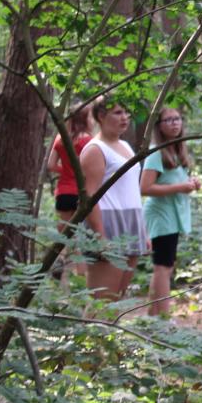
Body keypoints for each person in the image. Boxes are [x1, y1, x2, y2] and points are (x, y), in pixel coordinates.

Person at [79, 96, 148, 301]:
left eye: (126, 112)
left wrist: (142, 231)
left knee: (116, 300)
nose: (125, 117)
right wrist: (100, 237)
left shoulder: (125, 145)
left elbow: (130, 189)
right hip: (107, 223)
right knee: (102, 301)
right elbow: (89, 196)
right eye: (118, 113)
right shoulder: (95, 149)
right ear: (101, 116)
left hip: (131, 221)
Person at [140, 107, 201, 318]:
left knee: (165, 266)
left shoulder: (176, 150)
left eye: (177, 119)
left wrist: (191, 183)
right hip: (160, 216)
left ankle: (153, 317)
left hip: (172, 217)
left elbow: (173, 180)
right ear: (159, 126)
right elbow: (145, 188)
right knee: (163, 267)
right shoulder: (156, 152)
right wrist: (180, 187)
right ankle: (163, 319)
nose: (174, 123)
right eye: (168, 120)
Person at [46, 103, 94, 273]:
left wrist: (66, 170)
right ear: (86, 119)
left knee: (66, 237)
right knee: (81, 238)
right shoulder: (89, 141)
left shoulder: (61, 139)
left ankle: (62, 270)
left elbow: (51, 165)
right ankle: (80, 276)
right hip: (81, 193)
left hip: (63, 193)